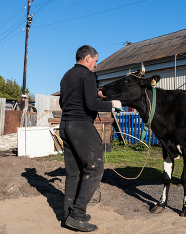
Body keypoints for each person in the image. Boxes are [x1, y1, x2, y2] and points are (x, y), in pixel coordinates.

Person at [59, 45, 121, 232]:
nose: (96, 64)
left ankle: (68, 214)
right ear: (87, 58)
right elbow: (91, 104)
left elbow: (65, 102)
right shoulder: (87, 75)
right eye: (95, 60)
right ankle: (77, 215)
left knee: (74, 172)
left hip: (65, 125)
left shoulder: (67, 75)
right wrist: (112, 103)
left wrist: (96, 93)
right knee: (95, 169)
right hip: (81, 126)